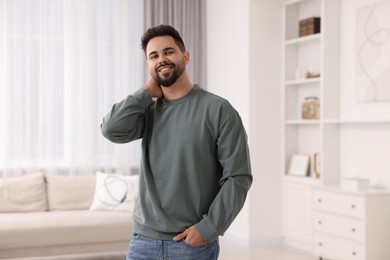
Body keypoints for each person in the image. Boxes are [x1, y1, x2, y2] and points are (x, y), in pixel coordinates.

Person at [101, 24, 252, 260]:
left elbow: (238, 176)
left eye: (168, 52)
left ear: (185, 56)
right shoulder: (147, 111)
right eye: (154, 56)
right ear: (149, 65)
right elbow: (111, 130)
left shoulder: (218, 110)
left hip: (192, 244)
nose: (162, 59)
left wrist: (208, 228)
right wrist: (145, 92)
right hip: (143, 242)